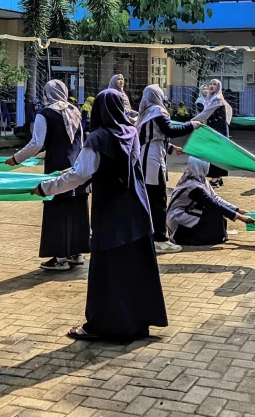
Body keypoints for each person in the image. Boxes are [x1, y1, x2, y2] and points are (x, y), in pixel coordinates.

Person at [34, 90, 168, 342]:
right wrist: (73, 169)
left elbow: (79, 175)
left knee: (108, 272)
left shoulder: (98, 138)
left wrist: (46, 188)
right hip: (137, 211)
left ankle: (100, 326)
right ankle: (137, 323)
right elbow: (102, 166)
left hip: (112, 215)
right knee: (134, 269)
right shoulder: (130, 132)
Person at [7, 79, 90, 271]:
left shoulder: (45, 114)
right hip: (78, 166)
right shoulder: (75, 110)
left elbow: (36, 143)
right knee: (76, 210)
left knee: (57, 210)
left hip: (58, 168)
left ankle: (59, 257)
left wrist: (16, 159)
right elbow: (80, 141)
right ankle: (75, 253)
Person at [136, 85, 200, 254]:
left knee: (149, 199)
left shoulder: (146, 112)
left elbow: (151, 136)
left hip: (145, 158)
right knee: (158, 200)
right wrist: (192, 125)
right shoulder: (158, 111)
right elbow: (169, 130)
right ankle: (160, 239)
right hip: (153, 161)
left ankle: (149, 234)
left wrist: (170, 148)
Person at [167, 157, 255, 246]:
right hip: (178, 217)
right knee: (216, 213)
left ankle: (210, 236)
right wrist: (240, 217)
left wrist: (237, 210)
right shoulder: (192, 186)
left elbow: (215, 198)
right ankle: (191, 238)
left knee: (219, 212)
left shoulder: (201, 180)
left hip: (188, 211)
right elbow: (213, 204)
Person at [193, 79, 234, 188]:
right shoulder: (210, 99)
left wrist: (191, 122)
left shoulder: (217, 99)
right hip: (213, 129)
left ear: (219, 87)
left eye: (214, 84)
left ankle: (215, 178)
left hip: (217, 130)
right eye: (210, 84)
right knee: (214, 154)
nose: (211, 86)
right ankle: (218, 178)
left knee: (215, 154)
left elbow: (205, 114)